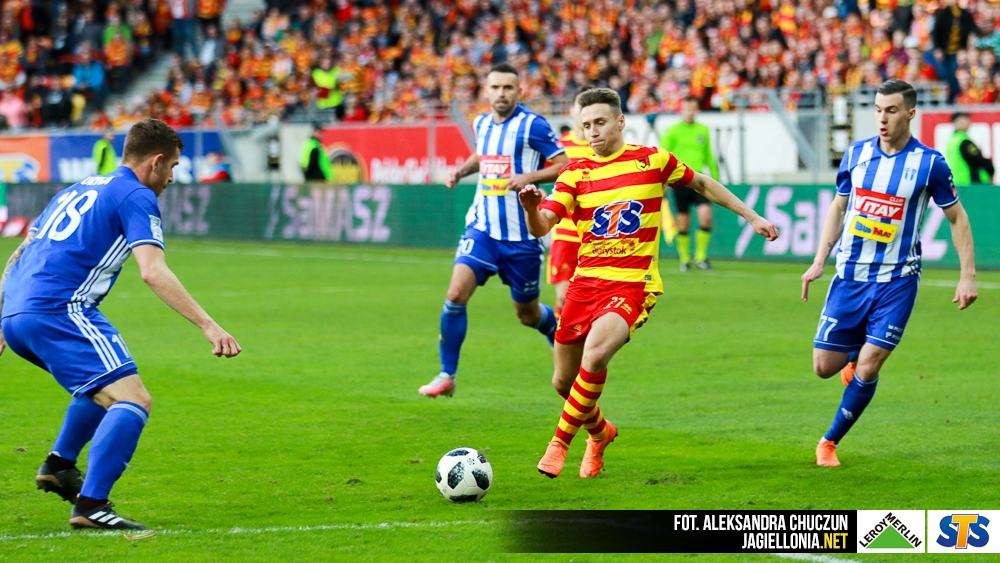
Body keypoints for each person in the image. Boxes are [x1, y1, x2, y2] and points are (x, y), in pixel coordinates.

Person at [519, 88, 778, 478]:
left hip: (631, 284)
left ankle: (558, 445)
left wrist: (751, 215)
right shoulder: (574, 173)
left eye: (600, 122)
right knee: (563, 382)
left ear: (620, 121)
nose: (592, 132)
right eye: (586, 125)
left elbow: (702, 184)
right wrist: (530, 209)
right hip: (584, 285)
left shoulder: (652, 160)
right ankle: (600, 433)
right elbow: (543, 225)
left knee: (595, 355)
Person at [0, 119, 242, 530]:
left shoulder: (74, 189)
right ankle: (92, 505)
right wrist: (208, 325)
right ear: (156, 161)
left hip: (17, 315)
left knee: (100, 387)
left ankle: (59, 466)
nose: (171, 178)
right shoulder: (135, 194)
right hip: (60, 309)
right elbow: (153, 271)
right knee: (133, 400)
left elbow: (20, 252)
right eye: (173, 167)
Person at [801, 79, 977, 467]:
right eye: (878, 110)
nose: (882, 118)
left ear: (910, 113)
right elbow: (838, 207)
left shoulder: (930, 164)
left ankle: (829, 442)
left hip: (898, 281)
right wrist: (819, 259)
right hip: (851, 276)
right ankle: (852, 353)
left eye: (892, 111)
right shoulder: (856, 154)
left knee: (871, 363)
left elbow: (957, 218)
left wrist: (967, 275)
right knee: (823, 368)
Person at [418, 63, 570, 398]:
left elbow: (565, 164)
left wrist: (529, 177)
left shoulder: (533, 125)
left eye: (508, 88)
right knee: (456, 294)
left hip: (522, 238)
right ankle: (447, 374)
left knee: (528, 315)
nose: (501, 93)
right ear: (486, 91)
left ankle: (558, 336)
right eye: (496, 87)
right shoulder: (482, 122)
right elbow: (483, 155)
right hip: (483, 229)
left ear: (519, 91)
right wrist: (460, 172)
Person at [549, 86, 596, 317]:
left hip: (595, 235)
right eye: (581, 105)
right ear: (572, 110)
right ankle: (559, 334)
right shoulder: (558, 147)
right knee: (564, 296)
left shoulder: (602, 148)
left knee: (591, 301)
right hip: (565, 233)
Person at [660, 96, 720, 271]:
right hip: (680, 181)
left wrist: (715, 178)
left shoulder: (703, 130)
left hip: (699, 179)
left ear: (697, 110)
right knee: (683, 222)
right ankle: (685, 259)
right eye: (687, 108)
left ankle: (701, 257)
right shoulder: (673, 131)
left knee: (705, 216)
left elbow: (708, 154)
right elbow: (663, 156)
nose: (690, 112)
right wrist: (662, 181)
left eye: (693, 108)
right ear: (682, 110)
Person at [945, 112, 994, 185]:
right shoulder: (963, 141)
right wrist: (990, 168)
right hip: (969, 182)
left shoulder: (952, 140)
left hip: (957, 181)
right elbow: (977, 159)